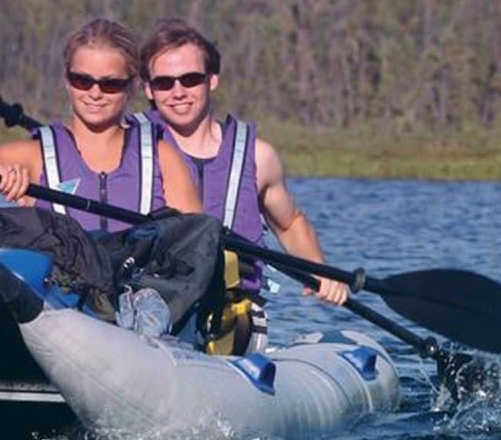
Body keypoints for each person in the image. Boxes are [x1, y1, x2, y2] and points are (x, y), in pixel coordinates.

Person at [139, 18, 348, 308]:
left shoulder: (259, 157)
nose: (178, 92)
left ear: (212, 80)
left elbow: (289, 224)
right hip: (150, 307)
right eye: (164, 83)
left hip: (232, 314)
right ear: (148, 89)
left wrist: (319, 270)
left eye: (190, 79)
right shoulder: (130, 148)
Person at [0, 17, 202, 231]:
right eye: (82, 80)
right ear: (67, 80)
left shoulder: (162, 158)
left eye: (110, 84)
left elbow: (196, 242)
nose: (95, 93)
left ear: (132, 87)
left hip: (140, 291)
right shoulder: (32, 156)